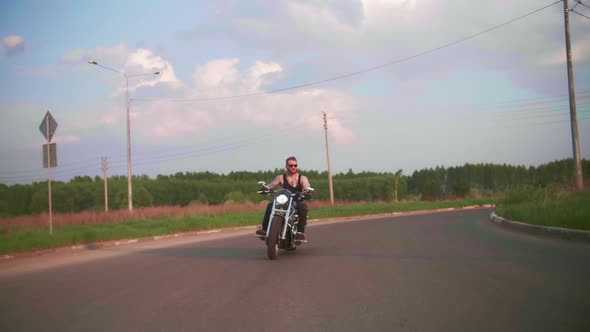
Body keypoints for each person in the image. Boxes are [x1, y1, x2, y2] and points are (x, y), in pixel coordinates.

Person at [256, 156, 311, 241]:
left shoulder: (302, 178)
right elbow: (271, 185)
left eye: (295, 165)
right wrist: (265, 188)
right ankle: (264, 229)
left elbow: (306, 186)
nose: (293, 167)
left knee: (303, 207)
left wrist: (307, 191)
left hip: (297, 201)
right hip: (284, 201)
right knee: (270, 205)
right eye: (291, 165)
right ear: (286, 166)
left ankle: (300, 233)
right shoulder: (280, 177)